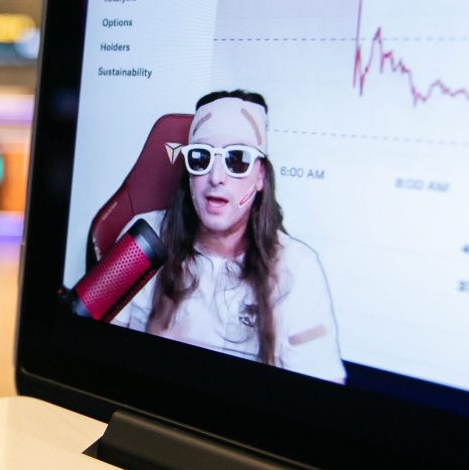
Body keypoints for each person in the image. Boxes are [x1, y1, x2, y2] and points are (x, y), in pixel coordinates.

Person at [112, 90, 346, 382]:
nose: (216, 177)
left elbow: (319, 391)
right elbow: (93, 351)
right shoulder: (144, 239)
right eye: (201, 158)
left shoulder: (297, 267)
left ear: (260, 177)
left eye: (237, 159)